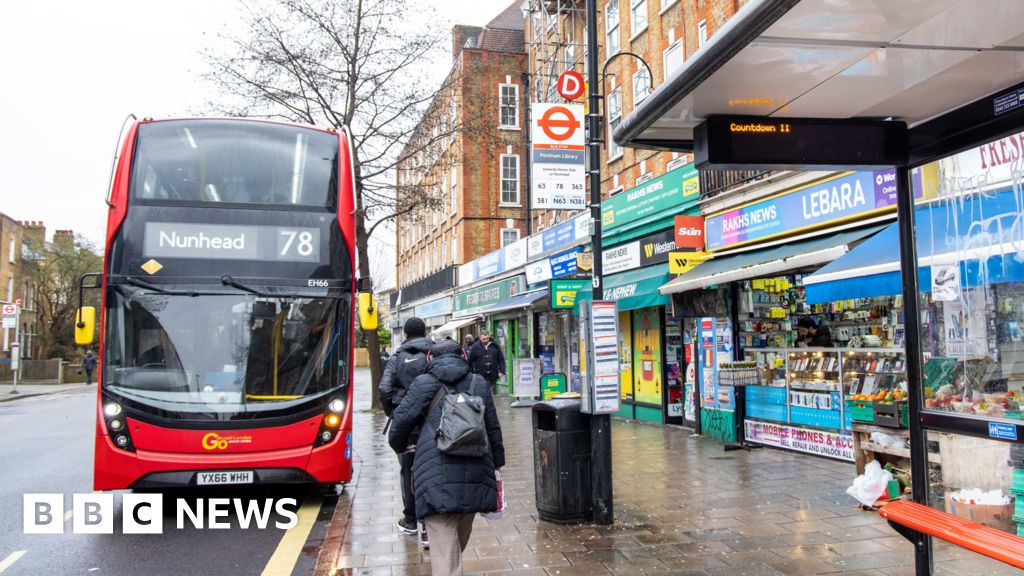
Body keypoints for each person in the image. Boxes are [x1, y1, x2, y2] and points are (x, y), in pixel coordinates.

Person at [388, 338, 505, 576]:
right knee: (454, 550)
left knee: (446, 557)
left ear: (430, 358)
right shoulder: (478, 383)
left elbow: (399, 425)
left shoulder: (424, 383)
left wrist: (402, 447)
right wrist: (498, 464)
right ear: (463, 354)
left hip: (434, 474)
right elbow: (493, 427)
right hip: (476, 470)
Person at [379, 317, 432, 540]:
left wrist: (394, 412)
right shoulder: (433, 355)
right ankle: (430, 524)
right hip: (431, 420)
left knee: (407, 468)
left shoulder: (397, 358)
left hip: (407, 424)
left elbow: (384, 389)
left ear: (406, 334)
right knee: (432, 469)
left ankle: (410, 520)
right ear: (425, 332)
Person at [468, 329, 506, 393]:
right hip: (480, 375)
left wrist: (502, 370)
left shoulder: (495, 346)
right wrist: (471, 374)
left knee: (491, 394)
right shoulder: (475, 347)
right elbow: (469, 361)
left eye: (487, 338)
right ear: (480, 338)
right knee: (482, 393)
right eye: (483, 339)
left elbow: (501, 359)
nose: (485, 340)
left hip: (493, 375)